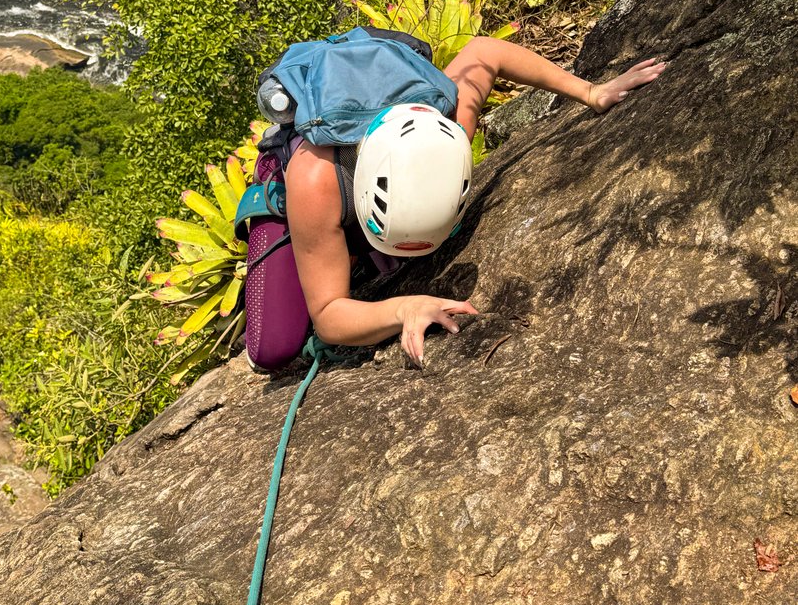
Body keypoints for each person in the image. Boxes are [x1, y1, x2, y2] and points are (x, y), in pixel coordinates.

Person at [282, 36, 666, 366]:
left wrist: (590, 92)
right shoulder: (314, 178)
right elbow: (329, 315)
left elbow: (486, 53)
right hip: (326, 182)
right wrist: (402, 308)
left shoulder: (449, 131)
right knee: (275, 346)